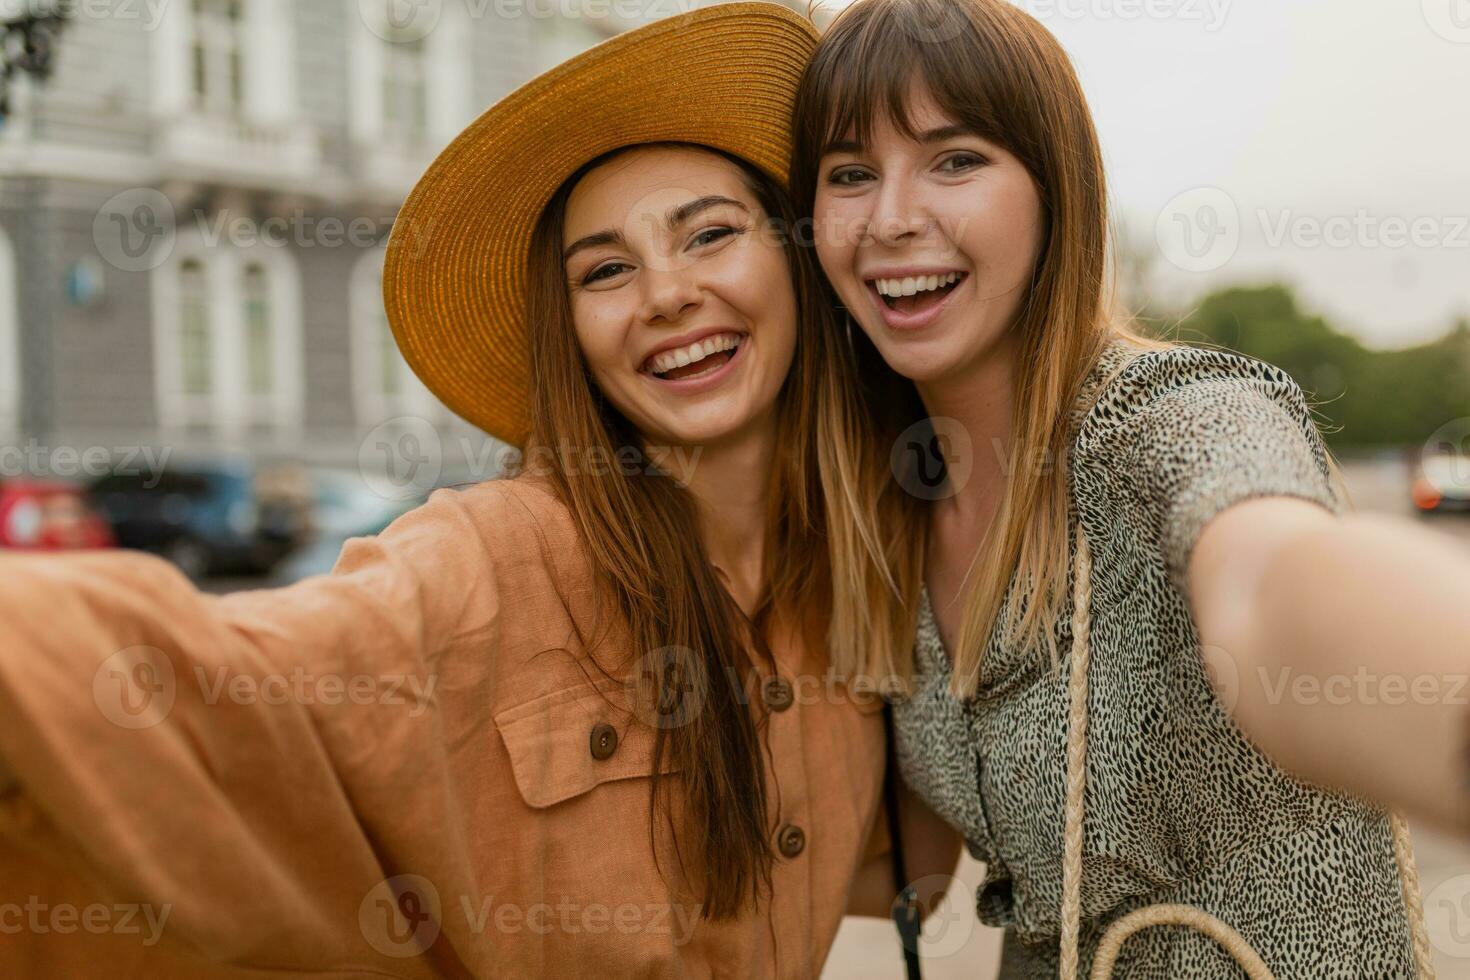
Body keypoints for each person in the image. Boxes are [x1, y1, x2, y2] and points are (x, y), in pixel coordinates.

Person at [0, 6, 955, 977]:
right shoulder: (490, 560)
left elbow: (911, 869)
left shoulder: (869, 574)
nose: (665, 292)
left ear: (795, 258)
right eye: (607, 270)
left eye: (709, 234)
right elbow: (239, 676)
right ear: (571, 330)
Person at [788, 0, 1470, 976]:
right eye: (850, 174)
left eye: (955, 158)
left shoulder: (1171, 419)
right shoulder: (893, 507)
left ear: (1054, 187)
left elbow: (1273, 585)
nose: (892, 217)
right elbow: (910, 867)